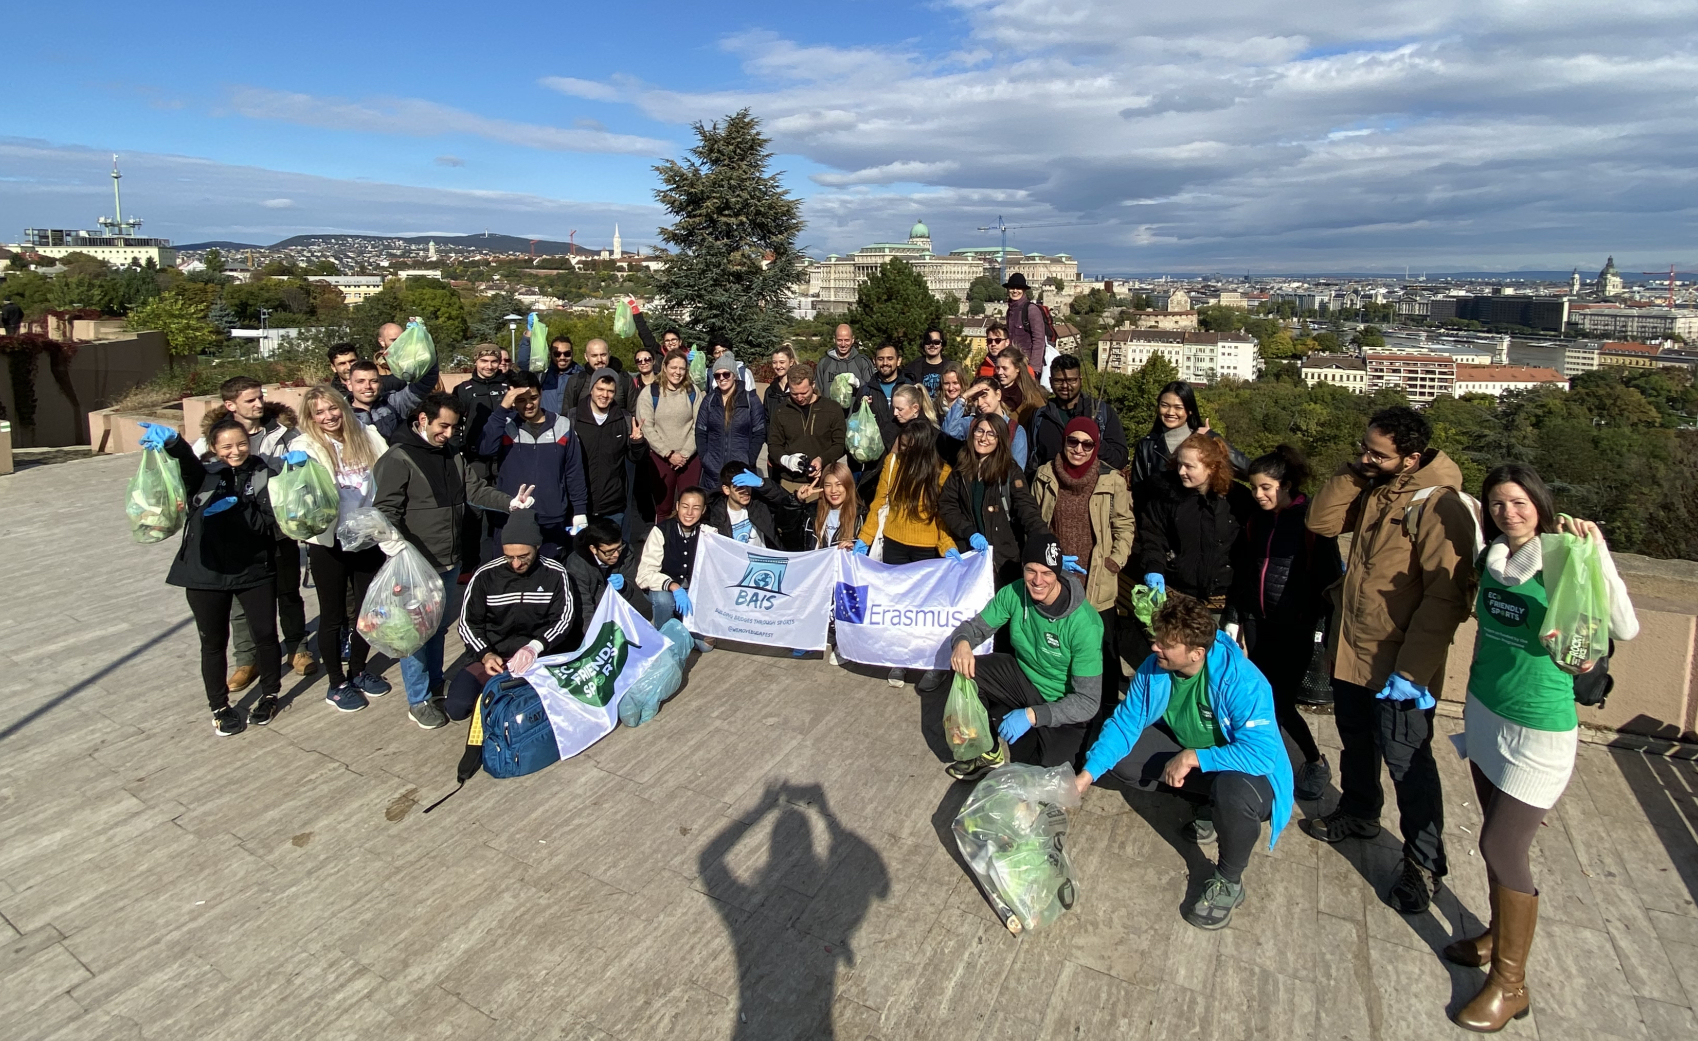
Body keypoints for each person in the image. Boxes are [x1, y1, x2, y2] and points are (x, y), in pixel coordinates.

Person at [1444, 465, 1637, 1032]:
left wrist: (1599, 555)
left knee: (1501, 846)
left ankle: (1511, 984)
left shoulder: (1566, 556)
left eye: (1520, 501)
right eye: (1498, 503)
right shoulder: (1492, 558)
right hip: (1485, 711)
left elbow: (1622, 627)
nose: (1509, 512)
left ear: (1540, 504)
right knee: (1495, 836)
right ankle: (1496, 935)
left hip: (1540, 725)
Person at [1305, 406, 1478, 914]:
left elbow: (1446, 598)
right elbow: (1321, 520)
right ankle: (1359, 811)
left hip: (1399, 661)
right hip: (1354, 646)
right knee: (1356, 740)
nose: (1366, 456)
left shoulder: (1440, 506)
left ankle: (1423, 864)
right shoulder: (1378, 485)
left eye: (1377, 453)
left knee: (1408, 762)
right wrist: (1355, 471)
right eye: (1365, 447)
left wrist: (1413, 671)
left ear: (1411, 458)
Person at [1075, 593, 1293, 930]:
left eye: (1166, 645)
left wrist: (1194, 756)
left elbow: (1261, 753)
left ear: (1196, 653)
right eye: (1157, 640)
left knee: (1234, 792)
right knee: (1125, 760)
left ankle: (1229, 881)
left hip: (1251, 773)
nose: (1154, 649)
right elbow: (1125, 722)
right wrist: (1086, 777)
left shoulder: (1243, 682)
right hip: (1201, 757)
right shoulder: (1155, 669)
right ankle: (1208, 804)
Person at [373, 392, 532, 729]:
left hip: (449, 561)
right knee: (414, 636)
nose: (448, 433)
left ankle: (433, 684)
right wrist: (394, 546)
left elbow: (475, 491)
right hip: (415, 565)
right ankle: (418, 700)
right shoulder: (398, 458)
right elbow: (385, 511)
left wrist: (510, 503)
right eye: (442, 426)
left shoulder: (452, 456)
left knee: (437, 628)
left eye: (453, 427)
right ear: (422, 421)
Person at [139, 418, 285, 736]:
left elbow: (274, 518)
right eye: (227, 446)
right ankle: (219, 708)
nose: (236, 451)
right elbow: (188, 464)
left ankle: (270, 694)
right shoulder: (204, 474)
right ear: (215, 449)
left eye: (242, 443)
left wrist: (242, 511)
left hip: (254, 568)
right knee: (213, 643)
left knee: (266, 634)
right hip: (206, 573)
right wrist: (174, 441)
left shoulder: (263, 471)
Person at [1226, 446, 1340, 801]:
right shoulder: (1257, 521)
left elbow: (1330, 578)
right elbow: (1246, 571)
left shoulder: (1311, 523)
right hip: (1258, 621)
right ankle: (1264, 759)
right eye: (1255, 488)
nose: (1258, 495)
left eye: (1266, 488)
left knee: (1281, 703)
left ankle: (1314, 759)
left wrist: (1323, 626)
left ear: (1286, 484)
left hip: (1295, 628)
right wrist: (1236, 618)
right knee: (1259, 698)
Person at [942, 533, 1103, 779]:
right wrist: (962, 642)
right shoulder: (1014, 593)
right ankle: (987, 752)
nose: (1038, 581)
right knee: (966, 669)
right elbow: (974, 627)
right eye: (1031, 571)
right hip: (1025, 678)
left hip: (1061, 700)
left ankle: (1038, 732)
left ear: (1058, 573)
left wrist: (1033, 715)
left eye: (1047, 573)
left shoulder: (1085, 624)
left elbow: (1087, 701)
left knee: (1049, 774)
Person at [190, 377, 311, 688]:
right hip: (236, 538)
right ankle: (247, 659)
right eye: (250, 400)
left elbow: (302, 469)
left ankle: (298, 648)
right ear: (231, 405)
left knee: (288, 592)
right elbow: (193, 480)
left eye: (260, 397)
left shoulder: (284, 433)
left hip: (277, 530)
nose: (259, 404)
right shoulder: (209, 440)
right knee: (241, 601)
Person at [294, 384, 394, 712]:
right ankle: (336, 682)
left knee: (367, 612)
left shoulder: (366, 435)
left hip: (367, 534)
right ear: (310, 417)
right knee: (334, 615)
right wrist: (294, 471)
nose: (328, 416)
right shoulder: (304, 446)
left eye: (332, 409)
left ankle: (360, 671)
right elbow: (297, 496)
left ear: (343, 407)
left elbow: (387, 474)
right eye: (319, 412)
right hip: (329, 540)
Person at [1032, 416, 1135, 692]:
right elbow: (1034, 522)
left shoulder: (1111, 480)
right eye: (1073, 442)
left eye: (1087, 444)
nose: (1079, 449)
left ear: (1096, 447)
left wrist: (1114, 561)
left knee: (1103, 649)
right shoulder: (1045, 475)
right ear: (1064, 441)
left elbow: (1124, 525)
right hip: (1057, 575)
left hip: (1097, 577)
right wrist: (1047, 558)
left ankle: (1106, 709)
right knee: (1059, 646)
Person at [855, 418, 958, 686]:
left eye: (907, 448)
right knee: (897, 606)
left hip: (926, 550)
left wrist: (947, 546)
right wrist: (864, 538)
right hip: (894, 543)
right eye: (901, 446)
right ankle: (898, 660)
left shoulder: (942, 472)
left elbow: (943, 516)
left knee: (924, 609)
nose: (901, 452)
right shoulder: (891, 464)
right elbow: (880, 502)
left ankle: (929, 663)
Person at [447, 509, 575, 722]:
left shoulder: (555, 573)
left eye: (523, 557)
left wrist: (534, 647)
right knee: (457, 709)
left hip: (538, 657)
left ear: (537, 547)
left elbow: (564, 619)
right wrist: (485, 654)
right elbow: (468, 624)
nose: (516, 564)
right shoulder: (485, 575)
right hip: (493, 657)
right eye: (509, 557)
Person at [478, 369, 591, 559]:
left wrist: (580, 511)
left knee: (549, 580)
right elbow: (485, 449)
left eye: (534, 397)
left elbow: (574, 472)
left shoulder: (562, 426)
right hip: (511, 518)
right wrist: (502, 408)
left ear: (541, 394)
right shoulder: (504, 425)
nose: (529, 404)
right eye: (521, 400)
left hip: (552, 518)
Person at [1136, 433, 1252, 615]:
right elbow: (1153, 537)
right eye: (1180, 464)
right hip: (1177, 597)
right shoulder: (1166, 496)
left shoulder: (1238, 500)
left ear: (1211, 468)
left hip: (1223, 602)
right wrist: (1154, 567)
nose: (1181, 471)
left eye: (1189, 466)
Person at [940, 413, 1049, 589]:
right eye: (979, 431)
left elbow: (1028, 510)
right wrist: (968, 531)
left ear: (1000, 439)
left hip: (1003, 562)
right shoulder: (961, 468)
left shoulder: (1010, 472)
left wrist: (1047, 544)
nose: (984, 438)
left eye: (991, 434)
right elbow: (947, 505)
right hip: (970, 558)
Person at [1129, 381, 1248, 495]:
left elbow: (1247, 471)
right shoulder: (1147, 445)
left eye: (1178, 407)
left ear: (1190, 410)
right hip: (1158, 514)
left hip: (1200, 512)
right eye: (1164, 405)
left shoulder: (1205, 440)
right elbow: (1139, 489)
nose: (1170, 412)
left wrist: (1214, 437)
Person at [454, 344, 511, 575]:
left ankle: (501, 561)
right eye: (484, 361)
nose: (489, 366)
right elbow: (456, 423)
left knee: (502, 511)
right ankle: (469, 566)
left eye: (493, 361)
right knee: (472, 516)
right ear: (476, 362)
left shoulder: (508, 386)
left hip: (503, 458)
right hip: (474, 460)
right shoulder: (463, 389)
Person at [636, 486, 715, 652]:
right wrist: (673, 586)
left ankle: (681, 626)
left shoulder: (709, 533)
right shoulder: (661, 531)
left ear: (703, 510)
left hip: (694, 592)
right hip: (665, 590)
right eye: (685, 506)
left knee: (706, 646)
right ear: (677, 506)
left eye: (696, 508)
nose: (689, 513)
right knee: (665, 601)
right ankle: (662, 639)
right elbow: (644, 575)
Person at [573, 368, 647, 531]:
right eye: (600, 389)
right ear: (591, 388)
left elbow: (636, 459)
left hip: (613, 506)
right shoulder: (573, 418)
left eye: (610, 391)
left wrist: (637, 442)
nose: (604, 395)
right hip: (580, 506)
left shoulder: (624, 419)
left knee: (611, 554)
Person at [1027, 354, 1128, 474]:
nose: (1065, 386)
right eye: (1059, 381)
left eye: (1071, 380)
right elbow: (1030, 463)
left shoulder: (1100, 413)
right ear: (1050, 381)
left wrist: (1094, 442)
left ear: (1080, 379)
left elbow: (1120, 459)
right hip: (1052, 489)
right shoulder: (1040, 417)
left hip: (1094, 490)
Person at [637, 348, 703, 522]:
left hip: (689, 458)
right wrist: (668, 453)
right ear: (664, 367)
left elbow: (699, 426)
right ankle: (663, 542)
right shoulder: (651, 393)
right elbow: (647, 428)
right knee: (664, 507)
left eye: (682, 368)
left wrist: (686, 454)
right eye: (673, 367)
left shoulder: (693, 392)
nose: (677, 372)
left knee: (689, 505)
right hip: (661, 458)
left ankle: (687, 541)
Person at [564, 516, 650, 646]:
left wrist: (624, 586)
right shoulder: (576, 565)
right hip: (587, 620)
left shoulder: (626, 552)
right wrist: (598, 641)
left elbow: (632, 591)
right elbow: (583, 609)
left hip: (615, 613)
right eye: (609, 552)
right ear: (593, 549)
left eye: (618, 548)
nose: (616, 554)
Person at [768, 362, 847, 496]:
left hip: (823, 483)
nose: (799, 398)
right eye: (794, 393)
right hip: (789, 482)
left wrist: (822, 459)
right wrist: (786, 460)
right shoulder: (781, 411)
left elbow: (840, 444)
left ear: (813, 385)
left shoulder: (832, 409)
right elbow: (774, 446)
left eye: (804, 392)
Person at [695, 355, 765, 495]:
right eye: (717, 375)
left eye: (726, 374)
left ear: (734, 375)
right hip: (713, 472)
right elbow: (700, 431)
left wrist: (749, 460)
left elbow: (759, 432)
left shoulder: (750, 400)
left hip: (740, 471)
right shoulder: (709, 401)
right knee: (713, 512)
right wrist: (705, 459)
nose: (722, 378)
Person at [943, 377, 1030, 470]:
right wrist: (964, 397)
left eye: (984, 396)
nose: (980, 403)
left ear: (998, 395)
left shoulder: (1015, 430)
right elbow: (949, 429)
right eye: (975, 399)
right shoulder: (972, 423)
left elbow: (1018, 471)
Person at [348, 358, 439, 442]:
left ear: (380, 383)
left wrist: (429, 354)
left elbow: (424, 385)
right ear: (349, 385)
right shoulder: (342, 414)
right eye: (360, 381)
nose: (367, 386)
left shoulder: (393, 403)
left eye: (373, 381)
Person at [707, 462, 789, 548]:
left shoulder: (759, 502)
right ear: (727, 490)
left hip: (765, 558)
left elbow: (787, 502)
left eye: (748, 486)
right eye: (739, 487)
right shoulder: (715, 515)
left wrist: (762, 484)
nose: (746, 491)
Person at [796, 460, 864, 550]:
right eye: (828, 485)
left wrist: (854, 550)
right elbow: (788, 530)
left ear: (849, 486)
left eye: (839, 484)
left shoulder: (862, 516)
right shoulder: (812, 512)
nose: (833, 490)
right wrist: (797, 501)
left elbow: (870, 555)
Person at [564, 338, 638, 413]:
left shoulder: (624, 379)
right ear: (586, 357)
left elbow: (633, 412)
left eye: (603, 355)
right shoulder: (576, 381)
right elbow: (567, 414)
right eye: (594, 356)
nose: (599, 359)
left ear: (609, 354)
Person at [1002, 273, 1050, 375]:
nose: (1015, 291)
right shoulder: (1010, 311)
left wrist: (1033, 369)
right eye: (1012, 288)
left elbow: (1039, 340)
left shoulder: (1031, 310)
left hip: (1027, 365)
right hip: (1012, 365)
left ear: (1024, 290)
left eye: (1018, 288)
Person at [814, 323, 878, 401]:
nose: (843, 344)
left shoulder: (863, 362)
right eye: (840, 340)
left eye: (847, 340)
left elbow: (874, 389)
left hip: (855, 412)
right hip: (830, 412)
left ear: (853, 339)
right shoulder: (824, 363)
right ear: (834, 339)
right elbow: (817, 392)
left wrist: (858, 383)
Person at [993, 346, 1047, 429]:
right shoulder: (992, 391)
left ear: (1017, 368)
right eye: (998, 368)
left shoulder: (1033, 397)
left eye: (1005, 368)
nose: (1000, 372)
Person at [538, 334, 581, 416]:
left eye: (567, 354)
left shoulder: (581, 375)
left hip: (571, 425)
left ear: (572, 354)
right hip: (546, 425)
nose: (562, 357)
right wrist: (527, 337)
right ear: (551, 354)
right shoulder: (542, 374)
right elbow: (524, 363)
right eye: (557, 354)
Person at [902, 327, 951, 398]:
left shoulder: (951, 367)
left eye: (936, 342)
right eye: (928, 342)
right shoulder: (912, 369)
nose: (932, 345)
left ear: (942, 344)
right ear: (923, 344)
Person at [765, 345, 798, 427]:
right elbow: (767, 419)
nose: (778, 366)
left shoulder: (799, 389)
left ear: (791, 362)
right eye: (774, 362)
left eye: (782, 362)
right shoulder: (770, 391)